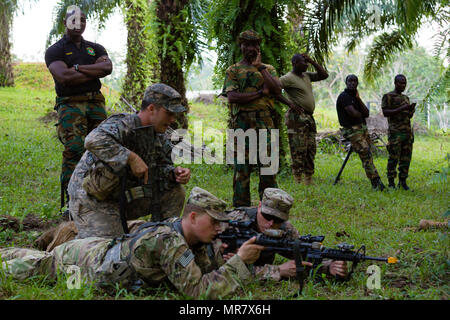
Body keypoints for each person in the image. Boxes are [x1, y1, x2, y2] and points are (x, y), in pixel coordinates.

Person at [0, 188, 264, 299]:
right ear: (192, 217)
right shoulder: (169, 242)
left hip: (99, 251)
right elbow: (198, 292)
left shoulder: (189, 237)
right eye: (214, 221)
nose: (220, 227)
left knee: (35, 259)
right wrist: (239, 261)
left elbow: (207, 273)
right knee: (32, 267)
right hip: (83, 263)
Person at [68, 83, 191, 239]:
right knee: (110, 252)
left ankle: (159, 238)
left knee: (175, 191)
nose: (173, 119)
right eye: (169, 113)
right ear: (152, 109)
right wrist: (131, 158)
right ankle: (73, 239)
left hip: (122, 196)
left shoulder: (160, 136)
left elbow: (160, 168)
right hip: (92, 199)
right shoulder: (123, 124)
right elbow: (92, 140)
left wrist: (174, 174)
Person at [45, 6, 113, 208]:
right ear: (65, 23)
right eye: (74, 20)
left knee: (100, 149)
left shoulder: (95, 48)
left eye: (83, 20)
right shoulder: (55, 50)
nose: (79, 24)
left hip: (96, 104)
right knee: (74, 149)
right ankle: (70, 202)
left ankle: (97, 198)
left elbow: (107, 68)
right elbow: (63, 77)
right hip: (71, 105)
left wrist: (77, 68)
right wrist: (93, 71)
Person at [221, 188, 348, 281]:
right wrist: (278, 270)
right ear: (259, 206)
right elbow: (227, 273)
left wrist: (329, 266)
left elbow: (302, 254)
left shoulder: (285, 230)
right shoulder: (232, 223)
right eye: (267, 216)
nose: (271, 223)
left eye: (277, 220)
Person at [223, 29, 281, 207]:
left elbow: (277, 90)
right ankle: (241, 211)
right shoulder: (233, 70)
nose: (251, 48)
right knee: (242, 170)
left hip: (265, 123)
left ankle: (270, 209)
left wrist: (261, 68)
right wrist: (260, 93)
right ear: (241, 46)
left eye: (255, 45)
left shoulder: (268, 69)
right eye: (247, 44)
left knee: (268, 169)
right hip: (242, 123)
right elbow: (232, 97)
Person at [279, 53, 329, 185]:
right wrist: (289, 103)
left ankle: (308, 178)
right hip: (297, 118)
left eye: (307, 62)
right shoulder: (287, 78)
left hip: (309, 117)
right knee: (298, 149)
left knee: (310, 149)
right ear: (295, 63)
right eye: (303, 61)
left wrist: (312, 61)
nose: (306, 64)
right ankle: (297, 179)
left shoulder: (306, 75)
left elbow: (324, 75)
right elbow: (274, 89)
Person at [336, 75, 385, 190]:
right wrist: (360, 113)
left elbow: (366, 113)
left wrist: (358, 99)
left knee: (368, 154)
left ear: (357, 83)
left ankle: (375, 180)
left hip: (362, 128)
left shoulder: (355, 97)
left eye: (355, 81)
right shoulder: (344, 97)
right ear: (346, 82)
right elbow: (354, 114)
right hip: (352, 130)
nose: (352, 83)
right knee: (365, 153)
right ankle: (376, 182)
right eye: (350, 81)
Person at [382, 74, 416, 190]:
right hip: (395, 134)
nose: (403, 85)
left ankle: (403, 182)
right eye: (400, 83)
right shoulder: (388, 96)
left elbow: (408, 116)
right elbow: (386, 112)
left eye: (404, 83)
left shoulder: (406, 98)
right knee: (393, 158)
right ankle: (391, 183)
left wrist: (411, 110)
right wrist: (402, 108)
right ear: (395, 83)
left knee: (406, 159)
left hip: (407, 133)